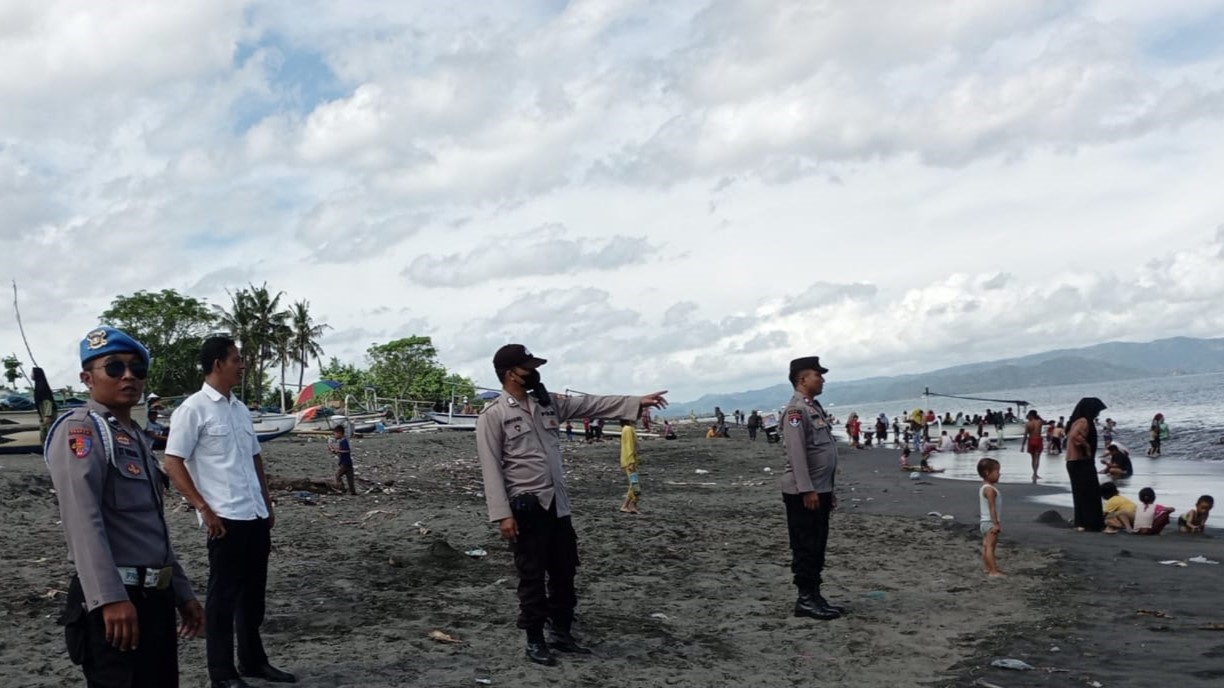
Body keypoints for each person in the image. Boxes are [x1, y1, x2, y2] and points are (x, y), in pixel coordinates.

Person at [475, 344, 667, 667]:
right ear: (511, 374)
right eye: (527, 367)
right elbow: (491, 468)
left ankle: (561, 632)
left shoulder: (547, 405)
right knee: (532, 575)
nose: (534, 372)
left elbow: (590, 403)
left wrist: (635, 402)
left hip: (557, 505)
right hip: (528, 507)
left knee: (565, 570)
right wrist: (502, 515)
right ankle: (535, 639)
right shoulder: (494, 416)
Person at [45, 327, 205, 687]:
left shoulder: (133, 436)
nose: (129, 376)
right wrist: (109, 598)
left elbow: (152, 527)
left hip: (155, 598)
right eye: (114, 368)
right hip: (117, 599)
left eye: (137, 369)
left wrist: (182, 592)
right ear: (87, 378)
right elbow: (83, 522)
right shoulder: (82, 432)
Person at [164, 336, 296, 687]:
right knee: (223, 599)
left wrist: (266, 503)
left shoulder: (238, 408)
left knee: (253, 596)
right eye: (237, 359)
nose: (242, 365)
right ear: (218, 363)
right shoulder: (193, 409)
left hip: (253, 514)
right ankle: (222, 673)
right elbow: (173, 461)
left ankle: (253, 661)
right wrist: (203, 509)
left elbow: (254, 457)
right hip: (224, 518)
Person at [780, 356, 847, 621]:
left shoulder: (813, 407)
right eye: (818, 375)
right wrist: (807, 489)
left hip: (819, 489)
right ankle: (805, 599)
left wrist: (827, 491)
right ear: (802, 379)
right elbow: (797, 454)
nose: (822, 379)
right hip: (802, 492)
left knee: (818, 544)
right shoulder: (796, 411)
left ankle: (815, 595)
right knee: (806, 545)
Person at [1065, 397, 1107, 532]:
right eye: (1096, 411)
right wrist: (1087, 446)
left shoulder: (1076, 420)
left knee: (1080, 493)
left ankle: (1082, 521)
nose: (1097, 414)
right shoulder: (1083, 421)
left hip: (1074, 461)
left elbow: (1071, 435)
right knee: (1090, 492)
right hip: (1081, 461)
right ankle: (1092, 523)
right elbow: (1074, 436)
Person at [977, 458, 1003, 577]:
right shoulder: (989, 490)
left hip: (984, 522)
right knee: (990, 547)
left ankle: (988, 568)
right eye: (997, 471)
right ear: (988, 472)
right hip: (989, 523)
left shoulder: (984, 488)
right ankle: (993, 571)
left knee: (987, 545)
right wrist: (996, 524)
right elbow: (992, 508)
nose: (999, 474)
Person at [618, 420, 641, 514]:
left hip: (629, 460)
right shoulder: (628, 429)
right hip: (629, 461)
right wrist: (631, 462)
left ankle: (628, 505)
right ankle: (630, 505)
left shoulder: (627, 429)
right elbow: (629, 447)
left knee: (634, 483)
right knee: (634, 484)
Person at [328, 426, 357, 495]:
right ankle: (352, 491)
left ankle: (342, 488)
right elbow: (342, 451)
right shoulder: (343, 441)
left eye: (335, 434)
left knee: (337, 475)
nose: (335, 436)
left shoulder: (343, 441)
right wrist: (336, 451)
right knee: (350, 478)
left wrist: (338, 451)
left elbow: (346, 451)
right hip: (348, 462)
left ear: (339, 433)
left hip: (345, 463)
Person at [1022, 410, 1044, 482]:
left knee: (1033, 458)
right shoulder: (1039, 422)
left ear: (1031, 415)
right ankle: (1035, 474)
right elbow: (1046, 422)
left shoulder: (1028, 424)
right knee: (1037, 458)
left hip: (1031, 440)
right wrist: (1038, 416)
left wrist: (1022, 445)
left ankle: (1034, 474)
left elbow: (1025, 435)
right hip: (1038, 440)